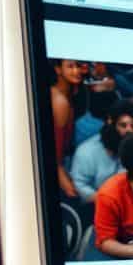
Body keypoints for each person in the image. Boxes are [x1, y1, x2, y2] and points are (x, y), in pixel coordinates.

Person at [69, 99, 133, 203]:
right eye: (123, 125)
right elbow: (79, 185)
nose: (128, 131)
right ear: (111, 124)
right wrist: (103, 200)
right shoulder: (87, 152)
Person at [51, 58, 85, 199]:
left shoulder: (68, 94)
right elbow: (55, 156)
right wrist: (68, 185)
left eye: (78, 66)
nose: (76, 71)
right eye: (70, 67)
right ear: (58, 69)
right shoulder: (61, 102)